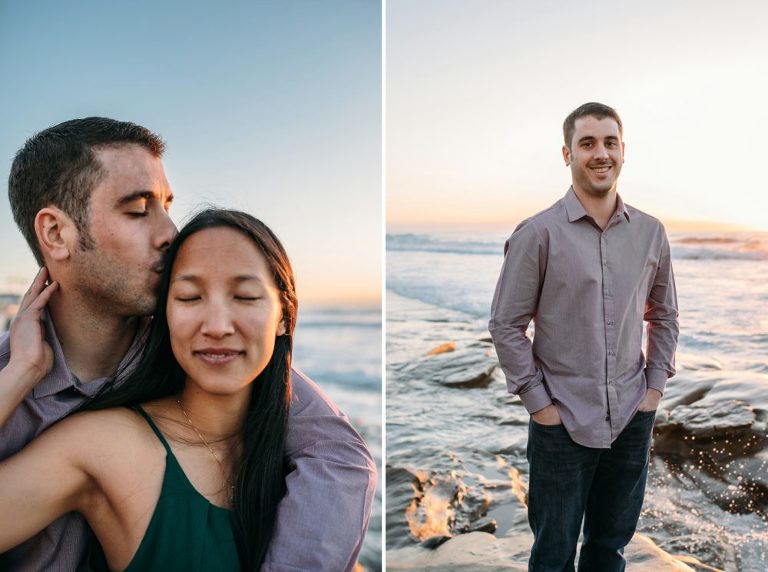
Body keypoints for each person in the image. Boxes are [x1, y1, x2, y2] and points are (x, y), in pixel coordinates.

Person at [0, 118, 376, 571]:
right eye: (138, 211)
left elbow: (338, 452)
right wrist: (18, 375)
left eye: (166, 206)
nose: (169, 233)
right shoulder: (10, 376)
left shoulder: (198, 355)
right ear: (57, 234)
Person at [2, 208, 313, 570]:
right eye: (189, 297)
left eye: (244, 297)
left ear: (284, 317)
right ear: (163, 315)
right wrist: (18, 373)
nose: (216, 326)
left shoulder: (306, 466)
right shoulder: (105, 445)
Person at [489, 102, 678, 571]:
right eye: (587, 143)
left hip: (632, 417)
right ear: (567, 153)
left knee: (608, 549)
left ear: (623, 151)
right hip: (562, 423)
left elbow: (666, 315)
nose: (600, 153)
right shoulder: (537, 233)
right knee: (553, 556)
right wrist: (540, 406)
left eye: (609, 142)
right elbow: (505, 324)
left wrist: (654, 389)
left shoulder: (651, 232)